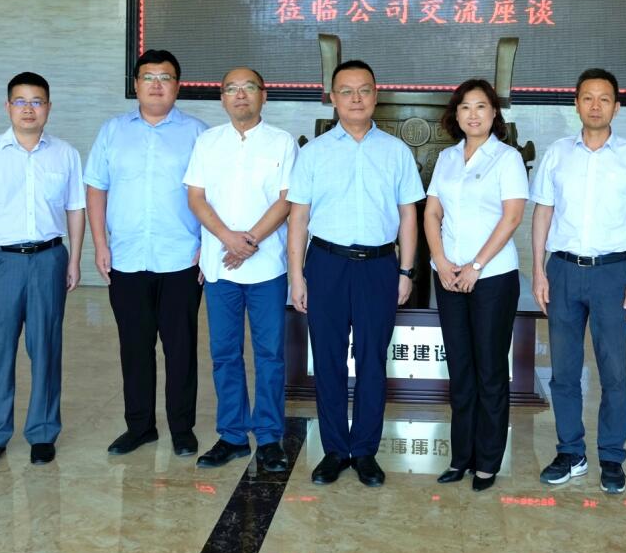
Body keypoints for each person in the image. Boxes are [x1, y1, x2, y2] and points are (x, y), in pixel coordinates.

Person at [287, 59, 425, 488]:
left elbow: (408, 215)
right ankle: (334, 449)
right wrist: (297, 276)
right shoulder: (313, 153)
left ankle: (364, 450)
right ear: (332, 98)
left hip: (379, 267)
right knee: (327, 359)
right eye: (346, 91)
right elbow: (298, 219)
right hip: (326, 264)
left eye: (364, 90)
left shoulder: (396, 151)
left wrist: (406, 270)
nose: (356, 98)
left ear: (376, 95)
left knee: (371, 360)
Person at [530, 68, 626, 495]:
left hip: (612, 274)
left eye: (604, 99)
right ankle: (571, 452)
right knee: (564, 371)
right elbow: (543, 212)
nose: (595, 105)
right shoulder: (557, 154)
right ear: (576, 104)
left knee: (614, 371)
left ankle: (611, 456)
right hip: (563, 271)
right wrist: (538, 269)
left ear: (616, 107)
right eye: (587, 97)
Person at [0, 72, 85, 468]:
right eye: (20, 101)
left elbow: (75, 209)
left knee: (46, 347)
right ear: (8, 106)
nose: (29, 109)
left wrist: (74, 259)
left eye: (37, 101)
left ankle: (43, 432)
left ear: (49, 107)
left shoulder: (65, 154)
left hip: (48, 259)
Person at [84, 50, 207, 459]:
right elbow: (96, 188)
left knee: (181, 349)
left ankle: (182, 428)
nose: (156, 85)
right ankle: (139, 427)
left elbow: (213, 195)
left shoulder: (198, 133)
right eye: (148, 77)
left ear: (178, 86)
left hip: (182, 259)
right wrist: (100, 244)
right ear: (135, 84)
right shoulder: (113, 131)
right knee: (134, 347)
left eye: (165, 77)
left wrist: (207, 245)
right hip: (127, 257)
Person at [184, 67, 297, 473]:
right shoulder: (207, 142)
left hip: (267, 267)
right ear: (222, 98)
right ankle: (232, 435)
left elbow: (287, 200)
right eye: (231, 88)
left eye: (249, 87)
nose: (240, 94)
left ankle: (268, 437)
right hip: (220, 268)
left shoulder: (282, 141)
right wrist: (227, 238)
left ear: (263, 95)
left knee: (270, 355)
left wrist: (248, 241)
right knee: (224, 353)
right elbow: (196, 197)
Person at [424, 78, 529, 493]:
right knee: (460, 369)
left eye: (481, 106)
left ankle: (487, 462)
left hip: (493, 278)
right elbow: (432, 213)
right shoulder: (447, 158)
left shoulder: (507, 158)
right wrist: (440, 261)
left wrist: (476, 266)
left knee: (490, 370)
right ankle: (460, 457)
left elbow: (512, 217)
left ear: (494, 113)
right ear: (456, 114)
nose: (473, 114)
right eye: (465, 107)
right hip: (449, 275)